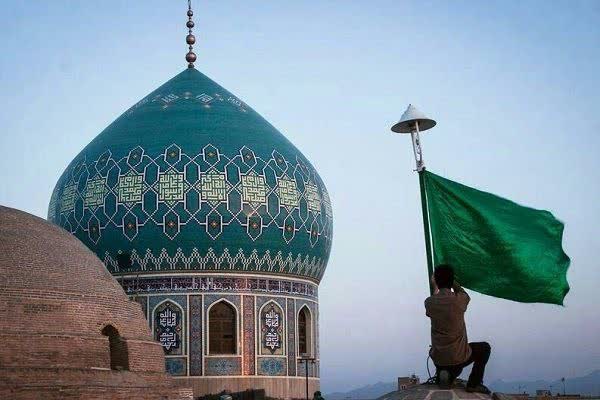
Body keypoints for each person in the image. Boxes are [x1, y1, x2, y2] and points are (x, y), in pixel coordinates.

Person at [425, 264, 492, 394]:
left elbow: (433, 299)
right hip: (458, 358)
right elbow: (464, 293)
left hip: (439, 359)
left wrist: (435, 285)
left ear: (436, 281)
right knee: (484, 348)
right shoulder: (459, 300)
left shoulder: (429, 303)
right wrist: (453, 282)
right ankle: (474, 384)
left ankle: (444, 375)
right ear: (451, 281)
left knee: (443, 357)